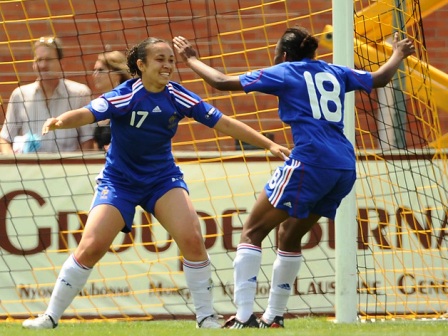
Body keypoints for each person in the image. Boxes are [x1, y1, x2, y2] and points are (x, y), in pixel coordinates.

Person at [21, 36, 290, 330]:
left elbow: (223, 122)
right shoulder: (125, 95)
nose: (168, 65)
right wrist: (60, 120)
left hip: (163, 180)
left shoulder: (177, 95)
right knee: (91, 246)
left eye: (171, 60)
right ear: (141, 64)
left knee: (192, 239)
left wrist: (268, 144)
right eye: (160, 59)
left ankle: (205, 318)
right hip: (119, 181)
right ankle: (49, 317)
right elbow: (87, 113)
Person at [173, 27, 415, 328]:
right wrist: (397, 54)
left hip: (310, 161)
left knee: (251, 231)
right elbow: (379, 78)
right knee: (289, 235)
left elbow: (221, 82)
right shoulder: (335, 71)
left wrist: (191, 59)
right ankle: (274, 317)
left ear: (284, 54)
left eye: (276, 53)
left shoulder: (285, 71)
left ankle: (244, 316)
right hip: (343, 165)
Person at [0, 36, 95, 154]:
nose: (43, 65)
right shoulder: (20, 95)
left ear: (61, 63)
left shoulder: (80, 93)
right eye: (39, 60)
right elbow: (5, 138)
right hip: (29, 169)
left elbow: (88, 140)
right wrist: (14, 163)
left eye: (48, 59)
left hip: (68, 168)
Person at [91, 51, 132, 151]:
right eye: (94, 70)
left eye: (100, 70)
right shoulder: (99, 103)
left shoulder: (130, 102)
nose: (95, 75)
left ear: (117, 74)